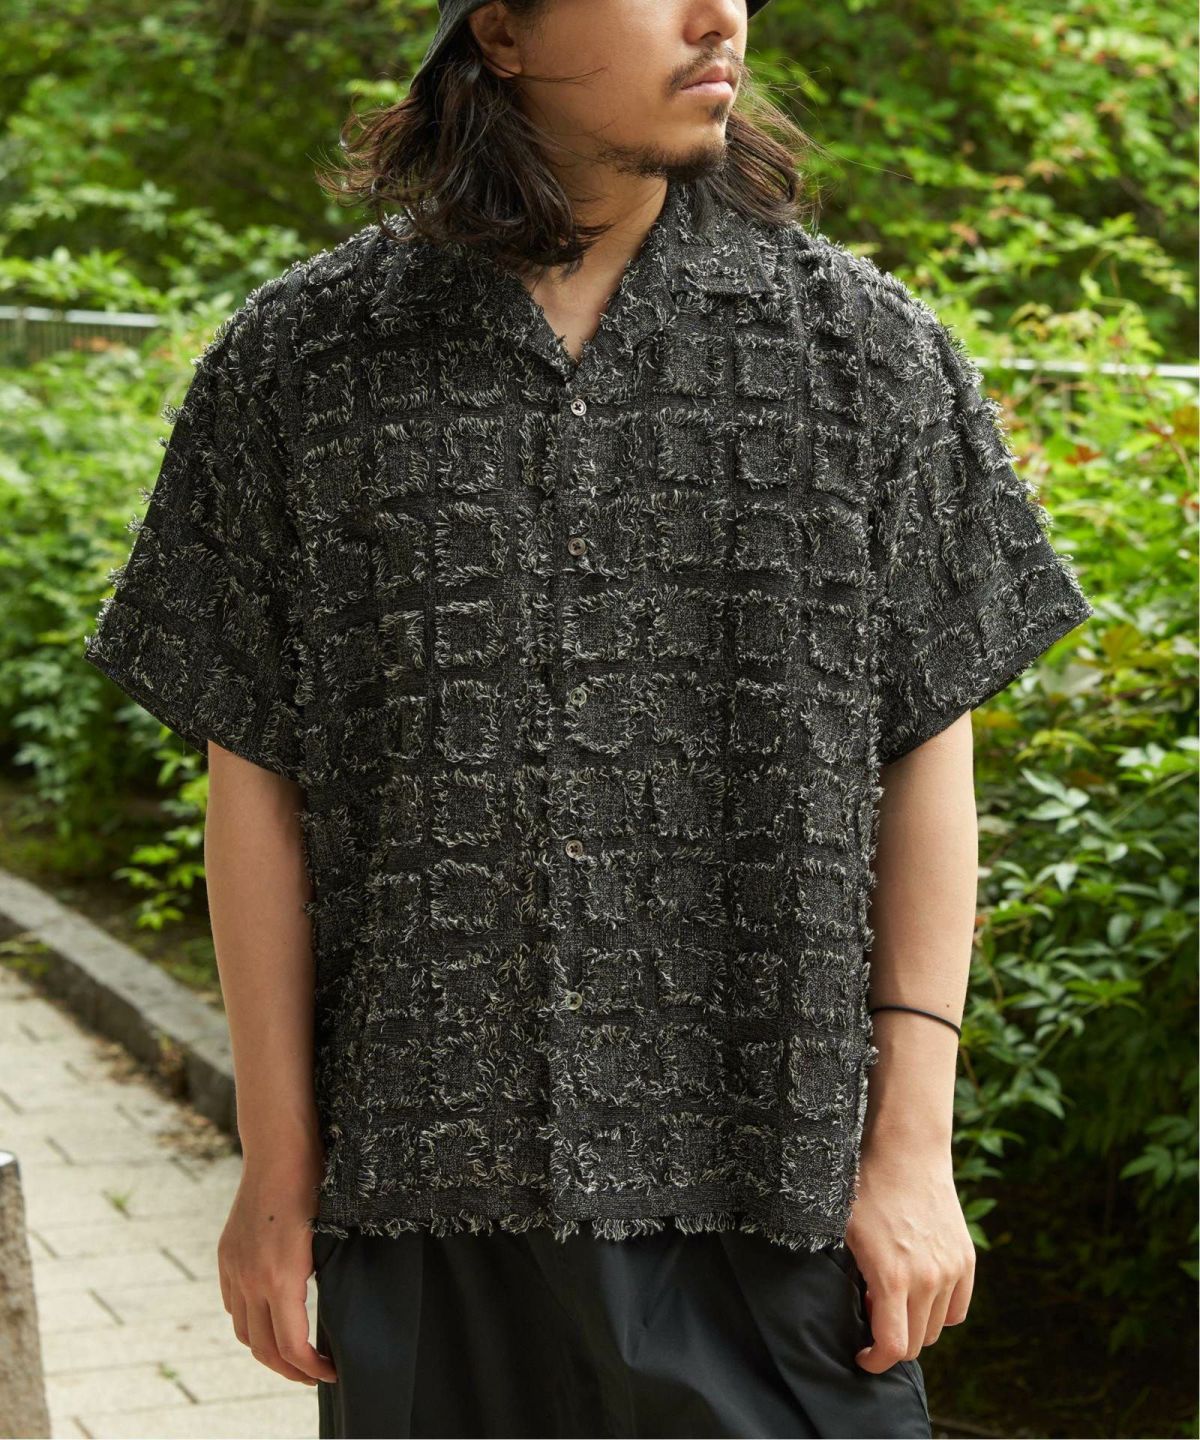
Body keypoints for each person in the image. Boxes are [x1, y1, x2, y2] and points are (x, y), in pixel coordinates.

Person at [82, 1, 1095, 1436]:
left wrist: (912, 1153)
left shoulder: (866, 355)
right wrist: (276, 1165)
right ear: (499, 29)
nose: (720, 16)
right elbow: (255, 778)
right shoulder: (302, 365)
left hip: (777, 1198)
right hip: (425, 1205)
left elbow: (926, 749)